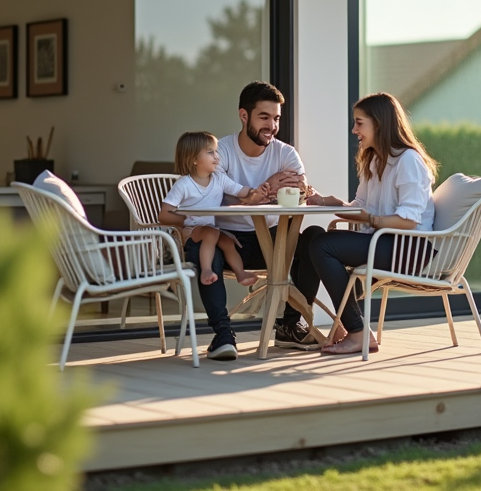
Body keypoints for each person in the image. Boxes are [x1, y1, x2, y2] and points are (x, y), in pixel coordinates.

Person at [184, 81, 314, 360]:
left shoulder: (285, 153)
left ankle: (290, 325)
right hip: (230, 240)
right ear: (244, 116)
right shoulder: (221, 152)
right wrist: (268, 187)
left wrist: (295, 189)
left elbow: (301, 190)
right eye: (264, 117)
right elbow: (211, 200)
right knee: (206, 249)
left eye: (276, 118)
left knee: (314, 242)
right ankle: (223, 335)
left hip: (274, 239)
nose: (272, 126)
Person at [301, 92, 438, 356]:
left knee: (323, 246)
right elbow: (361, 207)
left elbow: (409, 220)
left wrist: (370, 219)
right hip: (385, 241)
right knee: (311, 237)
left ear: (379, 123)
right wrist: (328, 202)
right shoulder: (375, 160)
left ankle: (356, 331)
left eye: (359, 122)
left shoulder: (408, 161)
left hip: (410, 248)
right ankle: (299, 324)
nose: (354, 130)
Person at [158, 131, 267, 287]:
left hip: (209, 228)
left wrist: (255, 192)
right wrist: (185, 219)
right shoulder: (183, 185)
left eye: (216, 152)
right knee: (212, 233)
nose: (217, 157)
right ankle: (206, 270)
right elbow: (163, 215)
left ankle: (240, 273)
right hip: (189, 231)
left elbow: (240, 190)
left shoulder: (219, 178)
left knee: (227, 241)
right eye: (210, 152)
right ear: (194, 159)